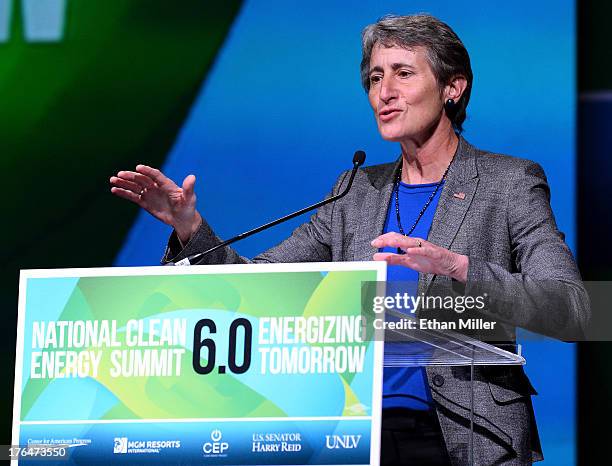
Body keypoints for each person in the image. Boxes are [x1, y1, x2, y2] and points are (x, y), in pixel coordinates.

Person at [110, 14, 589, 465]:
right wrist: (190, 229)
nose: (385, 92)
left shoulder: (508, 183)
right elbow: (259, 285)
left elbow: (571, 309)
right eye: (376, 78)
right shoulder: (356, 191)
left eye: (403, 73)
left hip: (465, 435)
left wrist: (459, 269)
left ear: (452, 87)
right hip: (356, 436)